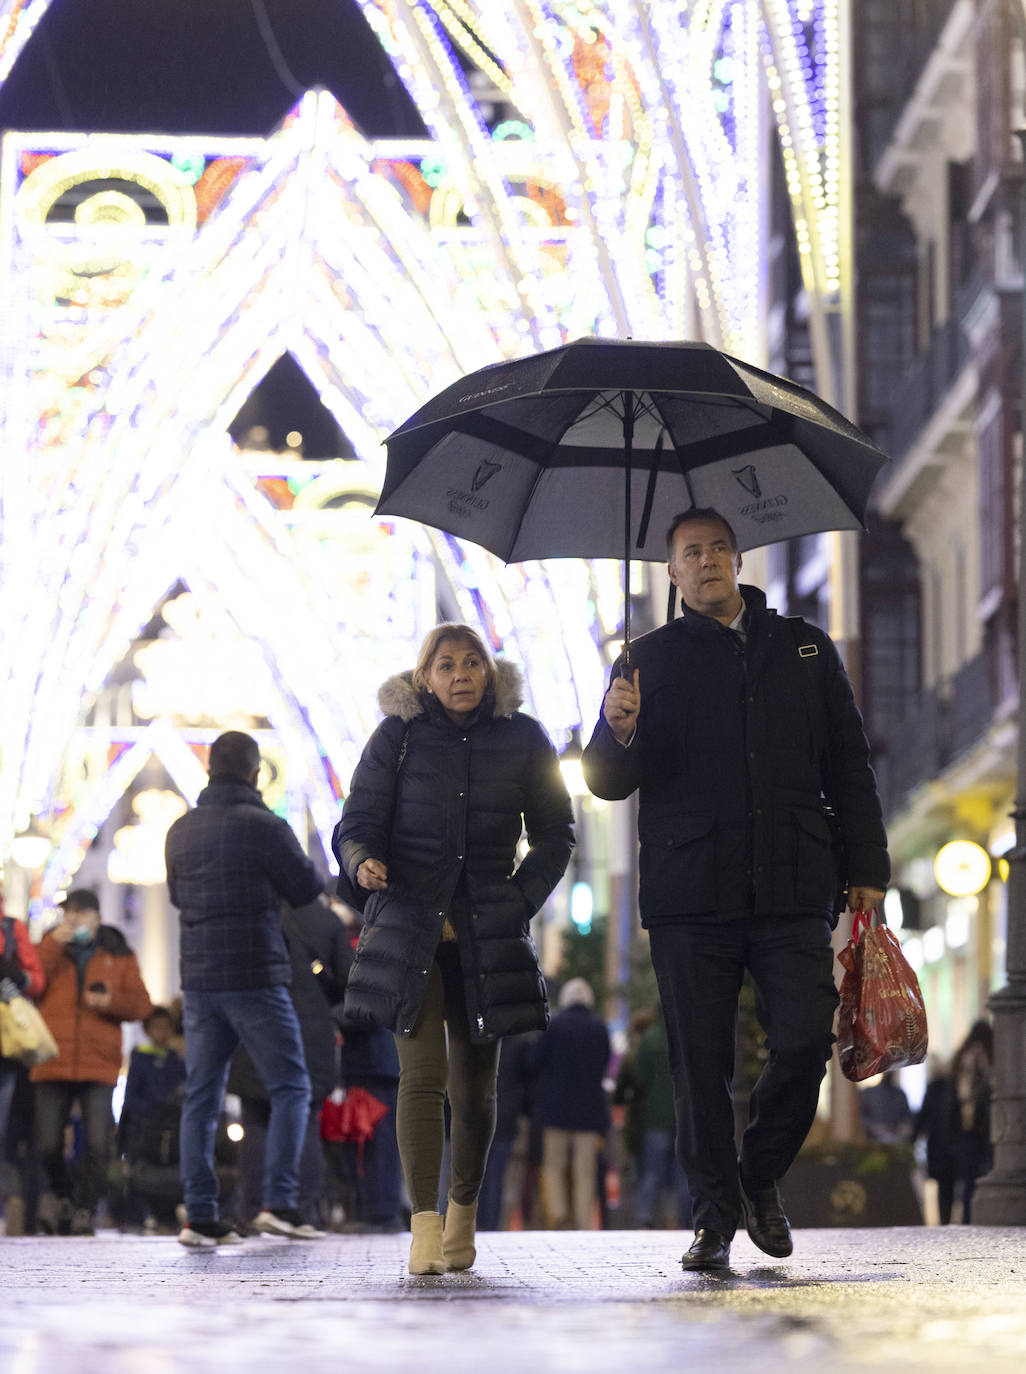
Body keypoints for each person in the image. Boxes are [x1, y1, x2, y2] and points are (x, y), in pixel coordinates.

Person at [582, 508, 889, 1271]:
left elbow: (849, 763)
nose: (708, 560)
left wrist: (868, 867)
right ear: (673, 573)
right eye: (692, 552)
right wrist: (615, 727)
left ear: (740, 558)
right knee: (699, 1065)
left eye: (719, 547)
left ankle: (758, 1177)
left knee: (802, 1040)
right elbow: (609, 785)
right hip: (692, 893)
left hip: (792, 882)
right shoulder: (645, 661)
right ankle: (715, 1218)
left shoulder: (806, 647)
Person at [334, 622, 574, 1274]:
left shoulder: (524, 738)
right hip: (410, 928)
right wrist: (362, 860)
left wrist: (519, 900)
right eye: (446, 665)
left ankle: (462, 1216)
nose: (461, 674)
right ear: (425, 676)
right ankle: (423, 1226)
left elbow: (556, 834)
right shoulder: (399, 737)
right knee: (421, 1077)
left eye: (472, 663)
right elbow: (355, 825)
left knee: (474, 1092)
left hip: (486, 933)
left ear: (490, 674)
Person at [165, 729, 325, 1247]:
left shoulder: (180, 830)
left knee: (203, 1096)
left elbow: (176, 897)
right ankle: (278, 1204)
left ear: (209, 770)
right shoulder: (265, 826)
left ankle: (201, 1216)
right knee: (291, 1087)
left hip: (199, 981)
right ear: (256, 774)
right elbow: (306, 888)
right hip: (256, 976)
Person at [31, 889, 153, 1236]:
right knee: (48, 1144)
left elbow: (142, 1006)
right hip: (51, 1058)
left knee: (99, 1143)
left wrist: (110, 1001)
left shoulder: (118, 953)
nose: (73, 920)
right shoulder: (48, 947)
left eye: (80, 914)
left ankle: (85, 1208)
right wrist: (53, 945)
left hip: (98, 1063)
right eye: (68, 913)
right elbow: (32, 985)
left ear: (97, 919)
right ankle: (64, 1198)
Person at [228, 895, 352, 1230]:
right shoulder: (325, 920)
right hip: (310, 1035)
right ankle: (300, 1212)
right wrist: (332, 1018)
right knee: (306, 1119)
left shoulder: (249, 911)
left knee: (256, 1121)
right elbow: (349, 982)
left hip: (254, 1029)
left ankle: (253, 1211)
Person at [532, 978, 610, 1230]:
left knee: (553, 1165)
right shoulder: (599, 1027)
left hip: (556, 1108)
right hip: (589, 1110)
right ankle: (583, 1221)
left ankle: (559, 1213)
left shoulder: (555, 1026)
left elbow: (535, 1061)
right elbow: (605, 1064)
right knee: (585, 1171)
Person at [1, 893, 45, 1235]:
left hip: (6, 1043)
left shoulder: (12, 928)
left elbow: (37, 980)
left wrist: (16, 977)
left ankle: (9, 1202)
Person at [951, 1019, 993, 1223]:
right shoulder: (986, 1055)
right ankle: (978, 1217)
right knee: (982, 1174)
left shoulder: (962, 1057)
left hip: (965, 1127)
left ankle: (969, 1219)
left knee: (968, 1181)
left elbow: (960, 1094)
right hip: (984, 1127)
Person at [859, 1070, 913, 1146]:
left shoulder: (900, 1094)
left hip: (896, 1140)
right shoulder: (869, 1093)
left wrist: (904, 1126)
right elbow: (862, 1116)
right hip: (874, 1142)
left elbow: (907, 1116)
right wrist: (874, 1127)